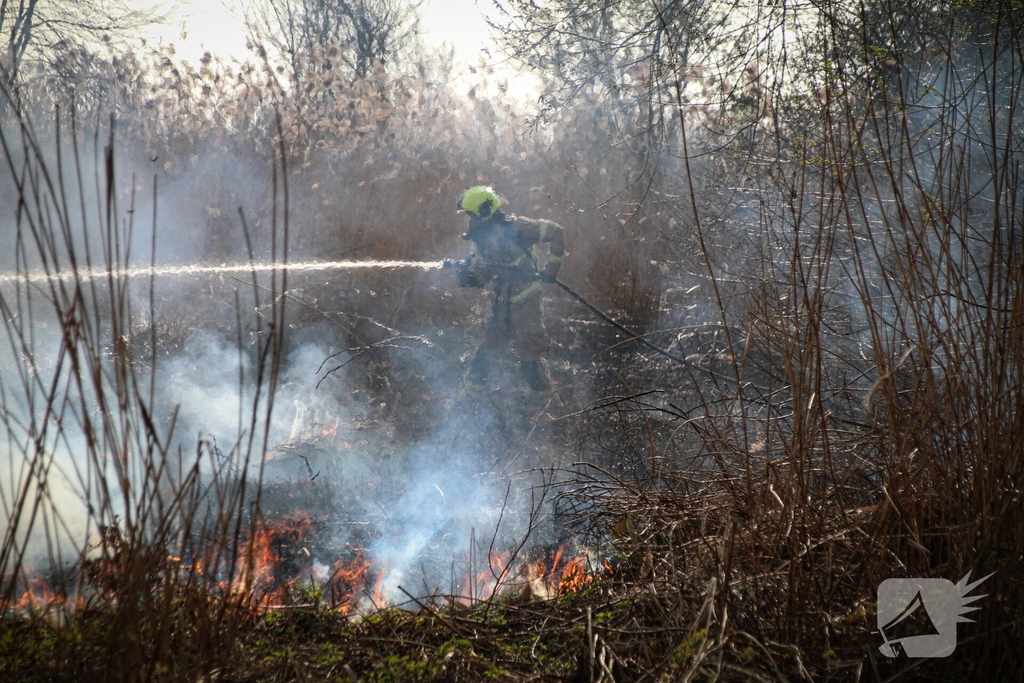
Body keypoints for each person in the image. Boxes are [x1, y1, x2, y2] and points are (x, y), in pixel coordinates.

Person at [450, 185, 566, 392]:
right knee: (485, 356)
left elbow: (557, 232)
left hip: (526, 302)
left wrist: (551, 269)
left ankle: (548, 407)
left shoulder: (520, 227)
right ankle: (468, 400)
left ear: (484, 211)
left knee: (530, 361)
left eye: (472, 215)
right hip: (499, 303)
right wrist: (466, 276)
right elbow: (481, 276)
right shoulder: (481, 239)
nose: (470, 220)